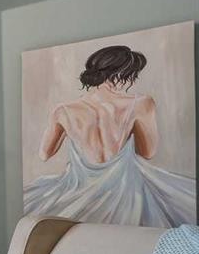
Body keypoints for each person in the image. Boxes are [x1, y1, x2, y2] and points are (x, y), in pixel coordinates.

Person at [24, 45, 195, 227]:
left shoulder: (63, 111)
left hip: (77, 193)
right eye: (132, 74)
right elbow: (148, 152)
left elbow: (44, 155)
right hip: (127, 193)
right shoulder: (141, 104)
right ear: (122, 73)